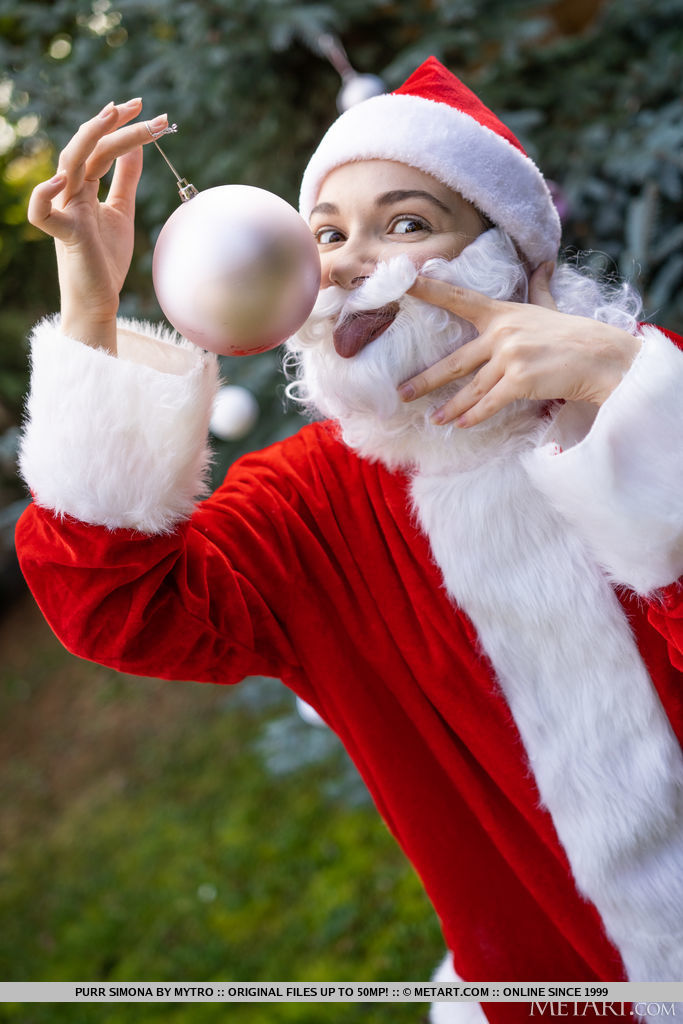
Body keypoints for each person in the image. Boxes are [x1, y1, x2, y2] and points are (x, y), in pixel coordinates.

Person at [15, 57, 683, 1022]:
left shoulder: (648, 400)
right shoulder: (313, 504)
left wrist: (630, 391)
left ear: (510, 258)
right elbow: (117, 606)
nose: (346, 263)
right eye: (325, 233)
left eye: (405, 223)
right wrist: (91, 308)